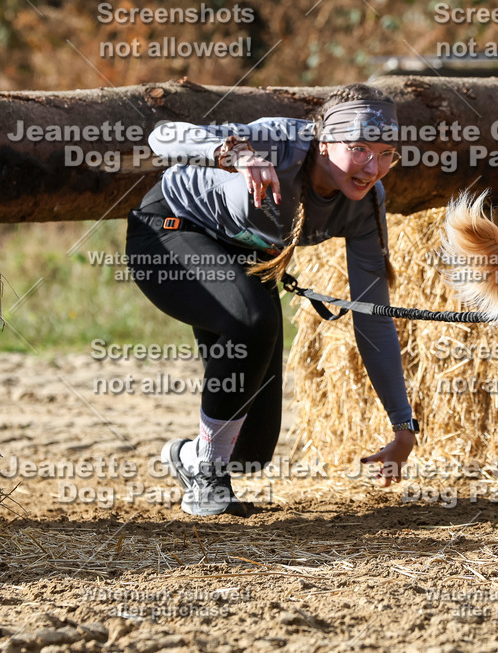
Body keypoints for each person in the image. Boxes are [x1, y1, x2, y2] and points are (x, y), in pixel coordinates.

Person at [125, 83, 419, 517]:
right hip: (169, 231)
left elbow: (372, 319)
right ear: (324, 140)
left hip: (250, 261)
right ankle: (207, 477)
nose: (372, 167)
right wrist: (237, 154)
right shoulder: (279, 141)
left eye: (386, 153)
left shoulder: (366, 206)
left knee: (251, 450)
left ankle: (191, 457)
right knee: (253, 319)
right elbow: (162, 137)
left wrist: (403, 426)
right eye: (359, 148)